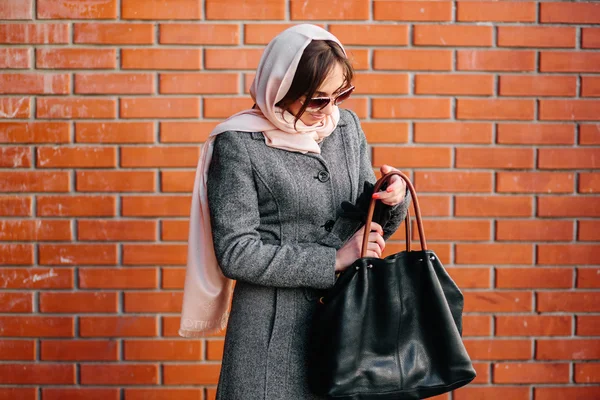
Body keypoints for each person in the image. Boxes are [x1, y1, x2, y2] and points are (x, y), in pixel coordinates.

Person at [179, 24, 410, 399]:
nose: (330, 110)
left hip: (349, 324)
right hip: (272, 332)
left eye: (341, 94)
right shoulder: (239, 144)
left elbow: (364, 223)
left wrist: (392, 199)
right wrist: (331, 259)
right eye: (318, 99)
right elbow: (236, 252)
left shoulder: (346, 127)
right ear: (281, 88)